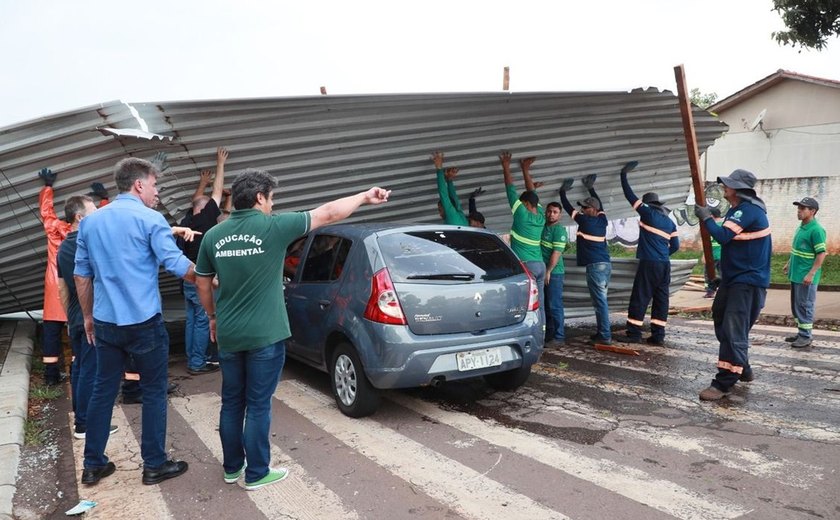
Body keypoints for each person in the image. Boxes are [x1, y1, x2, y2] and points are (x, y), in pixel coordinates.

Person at [194, 169, 389, 490]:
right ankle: (256, 473)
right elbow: (327, 213)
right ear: (259, 198)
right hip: (265, 334)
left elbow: (202, 282)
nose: (272, 205)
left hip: (229, 333)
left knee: (232, 401)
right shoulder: (274, 227)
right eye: (271, 199)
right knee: (257, 404)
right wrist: (365, 196)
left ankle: (232, 469)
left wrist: (212, 316)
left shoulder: (214, 236)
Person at [74, 157, 197, 486]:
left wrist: (87, 317)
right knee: (154, 391)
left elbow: (81, 276)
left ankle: (93, 464)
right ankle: (154, 464)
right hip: (144, 323)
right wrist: (211, 279)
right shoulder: (150, 219)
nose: (157, 193)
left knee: (103, 391)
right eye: (155, 185)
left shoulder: (90, 223)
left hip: (106, 322)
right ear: (139, 184)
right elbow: (178, 265)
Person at [694, 169, 771, 401]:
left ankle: (724, 382)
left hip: (747, 283)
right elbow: (737, 247)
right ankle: (742, 365)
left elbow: (723, 237)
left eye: (728, 185)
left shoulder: (749, 210)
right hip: (734, 280)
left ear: (739, 189)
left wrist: (707, 217)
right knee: (720, 318)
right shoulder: (737, 210)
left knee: (733, 330)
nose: (724, 188)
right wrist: (723, 277)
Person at [56, 195, 118, 440]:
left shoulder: (62, 249)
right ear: (79, 218)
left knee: (80, 367)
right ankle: (85, 424)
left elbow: (62, 288)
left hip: (75, 316)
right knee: (91, 370)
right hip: (90, 315)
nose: (97, 215)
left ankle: (79, 418)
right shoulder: (89, 244)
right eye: (93, 211)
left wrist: (70, 319)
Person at [180, 147, 229, 375]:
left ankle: (193, 357)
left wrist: (202, 183)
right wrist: (220, 164)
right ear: (205, 208)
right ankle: (197, 363)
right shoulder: (208, 215)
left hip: (187, 276)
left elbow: (196, 200)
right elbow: (217, 192)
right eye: (210, 204)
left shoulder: (188, 220)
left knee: (192, 319)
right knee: (202, 320)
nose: (214, 206)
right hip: (202, 278)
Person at [620, 163, 680, 345]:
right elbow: (675, 246)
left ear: (647, 204)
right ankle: (658, 335)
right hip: (664, 264)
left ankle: (634, 333)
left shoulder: (647, 214)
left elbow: (630, 196)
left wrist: (623, 175)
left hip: (649, 263)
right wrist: (662, 254)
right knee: (661, 298)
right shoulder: (670, 222)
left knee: (640, 296)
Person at [559, 174, 612, 344]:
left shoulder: (584, 221)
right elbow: (600, 204)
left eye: (585, 208)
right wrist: (591, 188)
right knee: (600, 301)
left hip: (596, 267)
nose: (582, 210)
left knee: (600, 302)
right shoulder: (602, 220)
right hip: (605, 265)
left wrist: (562, 193)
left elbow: (568, 208)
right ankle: (601, 333)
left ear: (592, 210)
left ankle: (605, 336)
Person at [499, 152, 547, 325]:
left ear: (525, 204)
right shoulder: (541, 216)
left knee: (523, 303)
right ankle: (541, 334)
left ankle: (524, 331)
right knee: (539, 304)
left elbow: (510, 189)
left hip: (527, 266)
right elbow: (532, 193)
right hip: (540, 265)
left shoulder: (521, 214)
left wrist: (506, 165)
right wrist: (525, 169)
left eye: (522, 202)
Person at [37, 167, 70, 386]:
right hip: (73, 289)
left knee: (51, 332)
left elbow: (47, 213)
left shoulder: (54, 231)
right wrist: (105, 200)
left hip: (53, 288)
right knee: (77, 331)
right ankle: (77, 370)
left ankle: (51, 376)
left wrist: (48, 187)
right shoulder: (80, 234)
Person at [784, 197, 827, 348]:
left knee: (805, 305)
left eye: (803, 209)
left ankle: (806, 336)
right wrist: (789, 263)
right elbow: (798, 250)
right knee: (797, 306)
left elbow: (821, 253)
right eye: (799, 208)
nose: (799, 211)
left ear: (813, 211)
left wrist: (811, 273)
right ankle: (801, 332)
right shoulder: (802, 227)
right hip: (796, 274)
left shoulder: (816, 230)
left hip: (806, 277)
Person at [541, 202, 568, 344]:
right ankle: (549, 335)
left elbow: (556, 253)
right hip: (544, 272)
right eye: (549, 211)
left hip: (554, 273)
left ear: (560, 214)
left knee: (554, 304)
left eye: (555, 212)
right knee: (546, 305)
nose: (551, 214)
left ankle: (559, 337)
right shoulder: (543, 226)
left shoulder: (559, 231)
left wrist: (548, 271)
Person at [431, 151, 470, 226]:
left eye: (440, 210)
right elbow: (453, 199)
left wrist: (439, 169)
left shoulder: (454, 216)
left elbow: (445, 196)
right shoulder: (459, 215)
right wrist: (449, 180)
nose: (439, 214)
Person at [703, 207, 723, 298]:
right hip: (723, 255)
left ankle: (710, 291)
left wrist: (704, 255)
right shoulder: (725, 225)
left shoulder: (710, 227)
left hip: (712, 255)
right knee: (723, 273)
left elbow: (708, 243)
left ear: (711, 216)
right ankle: (723, 291)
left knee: (709, 274)